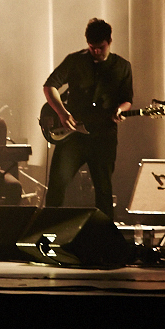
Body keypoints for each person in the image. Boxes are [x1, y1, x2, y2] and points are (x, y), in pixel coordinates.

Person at [42, 18, 134, 218]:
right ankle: (47, 232)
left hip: (103, 136)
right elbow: (49, 86)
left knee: (104, 191)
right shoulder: (75, 60)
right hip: (72, 138)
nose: (97, 52)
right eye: (92, 48)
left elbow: (127, 100)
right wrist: (62, 112)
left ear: (109, 41)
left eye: (100, 47)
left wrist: (121, 109)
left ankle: (104, 240)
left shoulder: (122, 66)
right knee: (57, 187)